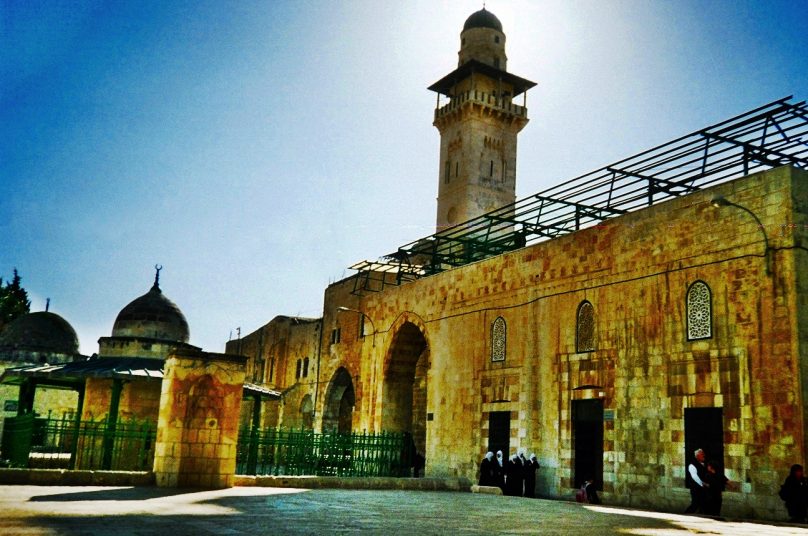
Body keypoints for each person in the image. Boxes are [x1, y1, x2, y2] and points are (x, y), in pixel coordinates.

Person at [685, 448, 708, 514]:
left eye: (703, 454)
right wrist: (702, 483)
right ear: (697, 456)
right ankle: (686, 515)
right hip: (695, 488)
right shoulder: (692, 465)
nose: (704, 455)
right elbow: (694, 476)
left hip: (703, 488)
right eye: (702, 454)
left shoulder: (704, 464)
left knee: (703, 503)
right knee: (695, 503)